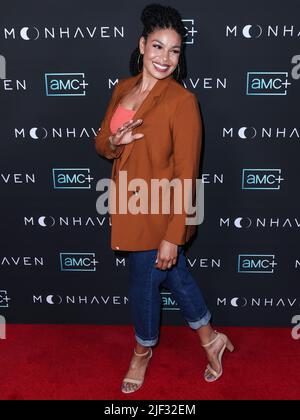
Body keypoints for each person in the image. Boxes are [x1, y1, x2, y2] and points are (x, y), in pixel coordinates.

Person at [94, 3, 234, 394]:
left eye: (174, 50)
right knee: (174, 275)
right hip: (128, 205)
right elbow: (102, 143)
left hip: (160, 210)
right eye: (158, 47)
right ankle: (211, 339)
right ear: (142, 45)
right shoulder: (122, 89)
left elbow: (188, 174)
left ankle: (142, 350)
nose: (165, 58)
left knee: (143, 283)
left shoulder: (181, 102)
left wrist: (173, 234)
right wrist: (114, 143)